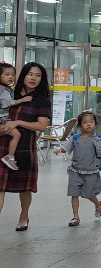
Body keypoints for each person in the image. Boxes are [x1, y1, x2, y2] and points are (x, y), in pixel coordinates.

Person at [0, 63, 52, 231]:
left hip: (25, 148)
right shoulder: (9, 93)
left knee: (25, 188)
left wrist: (18, 122)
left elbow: (42, 125)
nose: (33, 78)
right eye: (30, 74)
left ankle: (24, 216)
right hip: (2, 145)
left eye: (38, 75)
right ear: (23, 75)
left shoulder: (41, 100)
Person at [55, 110, 101, 227]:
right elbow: (66, 147)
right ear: (80, 125)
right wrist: (59, 149)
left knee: (89, 194)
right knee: (74, 194)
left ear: (95, 124)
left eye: (91, 122)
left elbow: (100, 152)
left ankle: (98, 204)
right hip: (75, 171)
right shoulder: (75, 138)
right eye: (85, 122)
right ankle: (75, 217)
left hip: (90, 172)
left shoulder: (96, 140)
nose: (88, 124)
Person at [0, 63, 33, 171]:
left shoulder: (7, 88)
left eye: (13, 74)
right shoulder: (3, 90)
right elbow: (8, 103)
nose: (11, 77)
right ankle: (10, 157)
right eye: (7, 74)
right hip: (2, 120)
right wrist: (23, 99)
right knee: (17, 135)